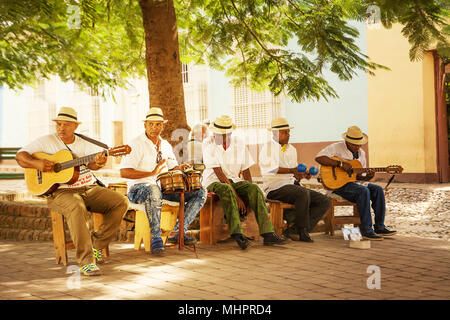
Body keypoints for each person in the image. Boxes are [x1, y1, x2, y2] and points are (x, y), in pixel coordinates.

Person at [15, 107, 129, 276]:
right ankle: (86, 262)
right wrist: (38, 164)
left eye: (66, 125)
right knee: (77, 206)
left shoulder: (85, 143)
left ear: (75, 126)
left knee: (121, 202)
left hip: (88, 188)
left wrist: (99, 162)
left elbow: (92, 165)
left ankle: (96, 245)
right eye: (59, 124)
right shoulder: (46, 141)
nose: (61, 128)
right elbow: (20, 156)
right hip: (60, 192)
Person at [119, 107, 206, 255]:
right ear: (145, 125)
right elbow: (124, 172)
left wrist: (181, 167)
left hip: (162, 189)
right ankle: (156, 237)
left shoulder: (165, 145)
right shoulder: (135, 144)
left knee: (200, 192)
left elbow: (171, 167)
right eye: (151, 124)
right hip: (138, 190)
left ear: (163, 126)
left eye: (158, 124)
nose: (154, 128)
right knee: (153, 189)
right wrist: (152, 173)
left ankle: (177, 233)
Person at [202, 115, 287, 250]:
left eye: (224, 134)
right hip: (213, 180)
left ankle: (268, 233)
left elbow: (246, 170)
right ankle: (238, 235)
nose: (220, 136)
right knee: (227, 189)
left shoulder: (239, 143)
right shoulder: (208, 143)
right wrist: (237, 198)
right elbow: (219, 174)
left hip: (234, 180)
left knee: (254, 189)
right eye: (218, 133)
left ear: (230, 133)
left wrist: (247, 195)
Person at [315, 125, 397, 240]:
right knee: (363, 191)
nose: (356, 146)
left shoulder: (361, 153)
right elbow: (319, 158)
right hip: (337, 185)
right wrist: (340, 164)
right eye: (353, 144)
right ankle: (366, 230)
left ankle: (379, 226)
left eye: (358, 144)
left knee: (377, 189)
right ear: (346, 141)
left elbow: (357, 177)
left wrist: (367, 177)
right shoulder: (336, 147)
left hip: (353, 184)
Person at [259, 118, 331, 242]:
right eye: (285, 132)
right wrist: (293, 170)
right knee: (302, 193)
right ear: (275, 133)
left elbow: (294, 174)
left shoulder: (292, 149)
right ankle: (302, 231)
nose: (288, 135)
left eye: (288, 132)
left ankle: (294, 230)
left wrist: (303, 174)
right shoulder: (268, 148)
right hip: (274, 187)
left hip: (291, 184)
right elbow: (271, 169)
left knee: (324, 201)